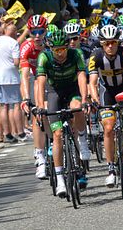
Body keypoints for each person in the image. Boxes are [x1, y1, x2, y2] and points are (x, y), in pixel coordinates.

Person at [34, 30, 90, 197]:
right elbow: (40, 83)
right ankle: (60, 180)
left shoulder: (76, 53)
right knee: (57, 134)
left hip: (72, 89)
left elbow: (81, 76)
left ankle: (82, 139)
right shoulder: (44, 57)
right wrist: (39, 106)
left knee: (77, 107)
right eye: (56, 50)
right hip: (54, 92)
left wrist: (85, 98)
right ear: (51, 49)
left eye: (63, 49)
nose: (60, 53)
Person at [88, 24, 123, 188]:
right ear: (101, 44)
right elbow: (92, 82)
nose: (110, 46)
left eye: (113, 42)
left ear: (118, 42)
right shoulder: (96, 56)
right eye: (106, 43)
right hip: (107, 93)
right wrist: (95, 99)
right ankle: (111, 169)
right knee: (109, 128)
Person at [19, 15, 49, 180]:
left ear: (47, 31)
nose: (37, 35)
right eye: (33, 32)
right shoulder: (26, 47)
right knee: (37, 113)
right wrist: (25, 98)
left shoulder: (51, 44)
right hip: (34, 78)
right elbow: (24, 76)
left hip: (51, 77)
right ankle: (40, 156)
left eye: (41, 31)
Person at [0, 23, 23, 144]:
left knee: (1, 107)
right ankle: (19, 132)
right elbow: (16, 62)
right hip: (10, 77)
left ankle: (4, 134)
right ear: (14, 32)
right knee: (15, 105)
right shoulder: (13, 42)